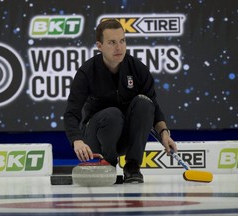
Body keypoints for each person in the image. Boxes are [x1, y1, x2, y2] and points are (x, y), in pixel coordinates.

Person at [63, 19, 177, 183]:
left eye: (122, 41)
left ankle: (132, 166)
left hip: (124, 137)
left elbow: (154, 106)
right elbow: (71, 113)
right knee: (113, 114)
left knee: (144, 103)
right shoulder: (86, 73)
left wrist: (164, 133)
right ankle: (108, 164)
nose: (119, 47)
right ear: (99, 46)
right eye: (112, 42)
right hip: (96, 137)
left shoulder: (137, 68)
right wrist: (77, 141)